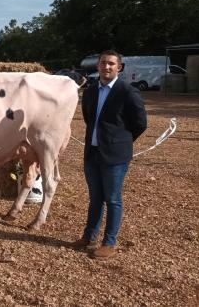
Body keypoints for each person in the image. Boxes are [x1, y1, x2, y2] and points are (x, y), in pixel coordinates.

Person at [74, 50, 147, 259]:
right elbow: (90, 119)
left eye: (111, 64)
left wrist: (122, 141)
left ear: (119, 68)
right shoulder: (90, 92)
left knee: (113, 199)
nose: (106, 67)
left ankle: (109, 243)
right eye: (103, 63)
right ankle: (89, 237)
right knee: (95, 197)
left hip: (115, 156)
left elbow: (140, 123)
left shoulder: (127, 92)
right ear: (97, 66)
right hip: (92, 152)